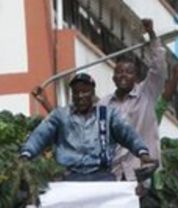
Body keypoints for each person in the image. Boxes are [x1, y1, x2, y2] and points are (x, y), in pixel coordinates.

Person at [20, 72, 154, 181]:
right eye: (76, 92)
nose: (80, 96)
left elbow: (128, 134)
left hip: (101, 176)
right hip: (69, 177)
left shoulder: (108, 114)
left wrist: (142, 153)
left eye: (85, 92)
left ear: (92, 93)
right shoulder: (60, 115)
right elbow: (40, 135)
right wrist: (26, 155)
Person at [101, 18, 167, 181]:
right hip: (113, 174)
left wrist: (151, 34)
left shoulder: (147, 94)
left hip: (141, 174)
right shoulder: (104, 104)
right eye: (119, 72)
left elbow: (158, 68)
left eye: (129, 71)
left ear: (136, 76)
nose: (123, 75)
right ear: (113, 77)